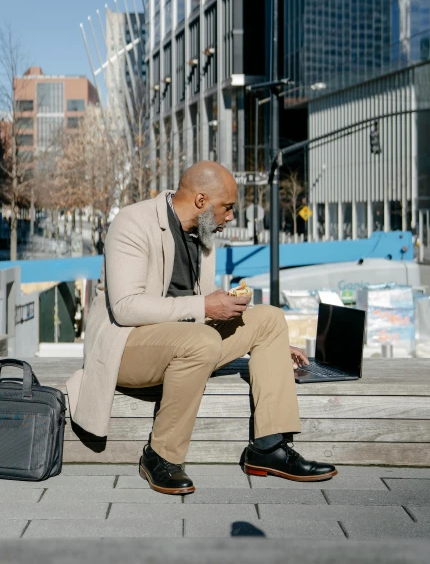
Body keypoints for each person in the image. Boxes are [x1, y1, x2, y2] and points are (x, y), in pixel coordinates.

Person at [67, 161, 337, 495]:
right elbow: (125, 308)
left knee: (269, 319)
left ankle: (268, 449)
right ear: (200, 201)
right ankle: (160, 456)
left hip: (189, 339)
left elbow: (201, 310)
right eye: (227, 208)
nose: (231, 217)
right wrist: (205, 305)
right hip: (126, 347)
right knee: (203, 340)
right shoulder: (133, 222)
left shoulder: (203, 233)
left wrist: (274, 343)